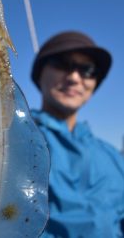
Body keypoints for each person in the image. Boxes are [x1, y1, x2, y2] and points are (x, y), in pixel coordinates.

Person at [30, 31, 124, 237]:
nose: (74, 77)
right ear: (39, 73)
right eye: (61, 63)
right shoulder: (10, 140)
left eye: (87, 70)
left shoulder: (113, 157)